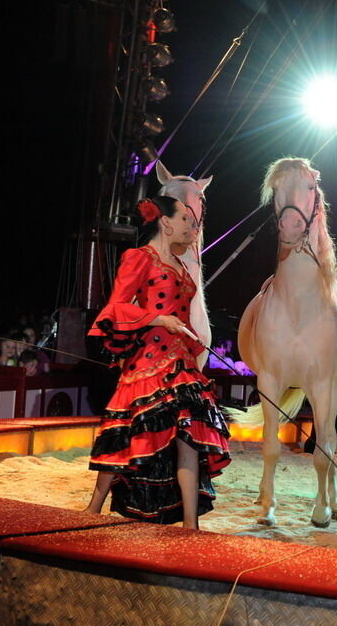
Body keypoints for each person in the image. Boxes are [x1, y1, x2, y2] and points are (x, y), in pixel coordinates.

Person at [83, 196, 230, 528]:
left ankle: (191, 524)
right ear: (166, 223)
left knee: (189, 439)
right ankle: (93, 508)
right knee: (126, 435)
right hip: (147, 363)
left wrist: (192, 337)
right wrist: (157, 318)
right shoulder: (140, 258)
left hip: (181, 363)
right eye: (188, 221)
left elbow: (181, 316)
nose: (194, 228)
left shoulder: (181, 266)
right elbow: (116, 308)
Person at [303, 263, 337, 455]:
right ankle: (316, 442)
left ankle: (333, 438)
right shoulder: (330, 297)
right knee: (325, 400)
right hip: (329, 357)